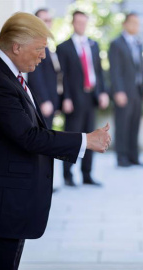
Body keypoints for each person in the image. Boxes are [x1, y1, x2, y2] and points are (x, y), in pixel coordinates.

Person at [0, 12, 111, 270]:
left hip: (6, 206)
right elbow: (28, 136)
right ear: (16, 46)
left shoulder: (3, 72)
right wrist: (85, 141)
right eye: (39, 49)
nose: (43, 56)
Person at [57, 10, 109, 187]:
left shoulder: (94, 45)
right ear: (73, 23)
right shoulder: (63, 47)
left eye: (84, 22)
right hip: (74, 99)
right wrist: (66, 98)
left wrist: (102, 92)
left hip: (91, 97)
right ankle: (68, 175)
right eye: (78, 22)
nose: (81, 25)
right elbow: (61, 76)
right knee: (72, 137)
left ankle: (87, 174)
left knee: (91, 136)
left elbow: (99, 72)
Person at [108, 12, 143, 167]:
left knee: (135, 125)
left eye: (137, 23)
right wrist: (118, 91)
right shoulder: (116, 44)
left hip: (137, 91)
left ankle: (134, 157)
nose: (136, 26)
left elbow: (142, 68)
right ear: (125, 24)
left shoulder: (138, 43)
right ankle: (122, 158)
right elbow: (114, 70)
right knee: (122, 125)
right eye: (132, 22)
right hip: (124, 92)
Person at [28, 8, 62, 129]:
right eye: (45, 20)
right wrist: (43, 100)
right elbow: (35, 74)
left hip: (52, 98)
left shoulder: (47, 43)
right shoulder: (35, 44)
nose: (48, 23)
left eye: (50, 20)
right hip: (43, 100)